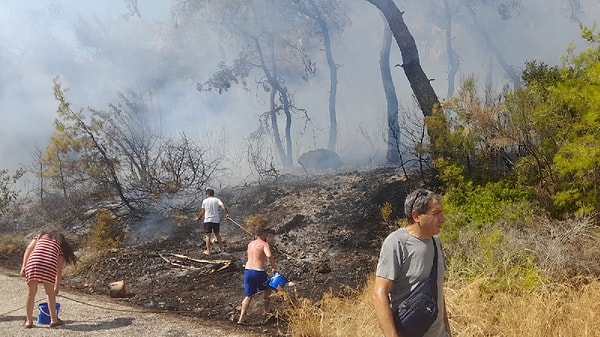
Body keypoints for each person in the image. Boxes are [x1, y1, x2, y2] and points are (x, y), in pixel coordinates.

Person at [373, 188, 452, 337]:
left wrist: (447, 332)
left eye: (441, 212)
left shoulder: (436, 242)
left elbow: (437, 292)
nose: (443, 219)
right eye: (436, 214)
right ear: (416, 215)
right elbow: (379, 294)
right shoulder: (397, 242)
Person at [20, 231, 77, 328]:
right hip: (49, 264)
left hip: (33, 262)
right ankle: (54, 320)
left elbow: (29, 249)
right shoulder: (60, 243)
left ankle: (29, 321)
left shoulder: (39, 236)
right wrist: (57, 286)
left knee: (31, 293)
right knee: (50, 293)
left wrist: (23, 266)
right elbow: (59, 269)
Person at [237, 225, 277, 325]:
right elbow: (269, 256)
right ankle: (267, 311)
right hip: (258, 272)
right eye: (265, 234)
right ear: (263, 234)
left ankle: (241, 318)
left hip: (248, 271)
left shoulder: (250, 244)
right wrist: (274, 267)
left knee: (248, 295)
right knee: (268, 288)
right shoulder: (264, 244)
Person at [195, 188, 229, 255]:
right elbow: (223, 206)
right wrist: (227, 213)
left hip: (208, 220)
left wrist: (198, 218)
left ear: (207, 194)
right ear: (213, 194)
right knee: (217, 234)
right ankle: (221, 249)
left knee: (208, 236)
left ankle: (208, 251)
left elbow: (203, 211)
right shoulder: (217, 200)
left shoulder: (205, 201)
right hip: (216, 220)